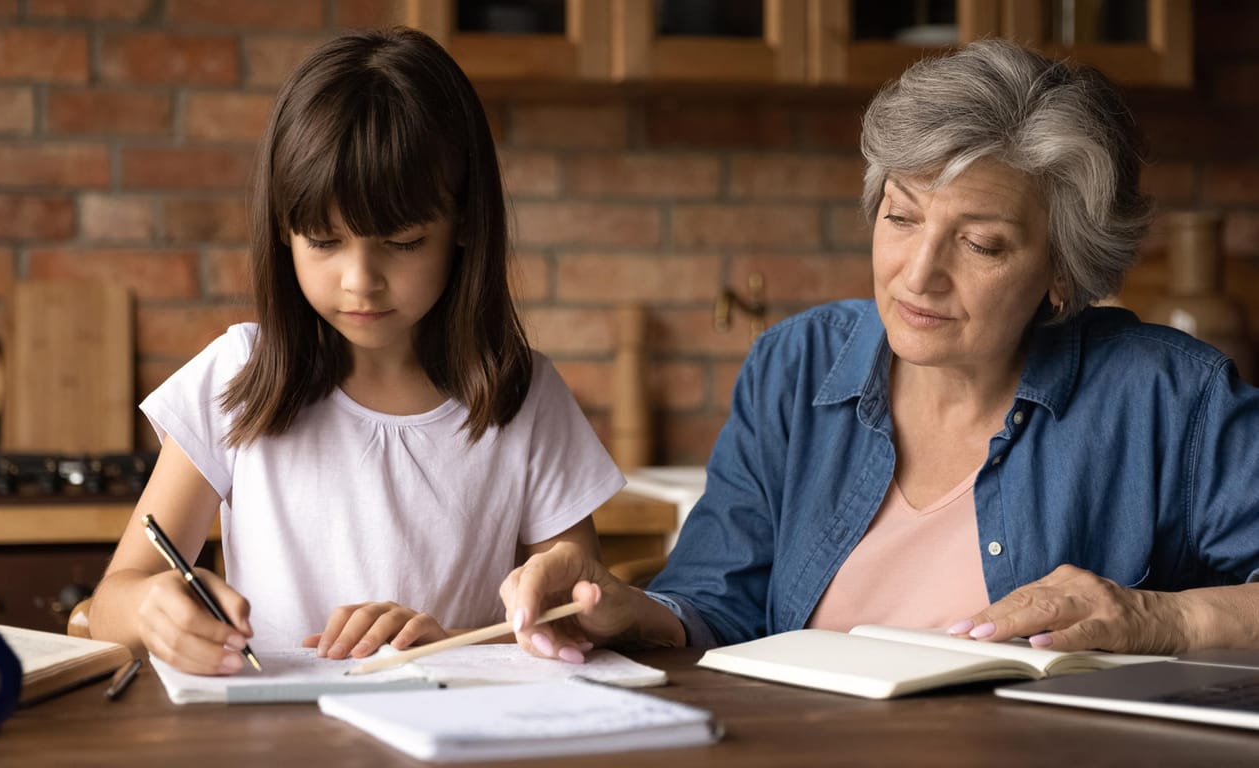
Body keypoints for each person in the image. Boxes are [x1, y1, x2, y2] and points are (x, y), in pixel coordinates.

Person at [503, 39, 1259, 662]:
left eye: (981, 243)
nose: (919, 274)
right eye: (901, 218)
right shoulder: (794, 366)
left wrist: (1161, 619)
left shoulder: (1168, 396)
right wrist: (624, 608)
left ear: (1062, 270)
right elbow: (714, 604)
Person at [88, 28, 623, 675]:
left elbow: (574, 622)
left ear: (464, 227)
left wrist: (451, 642)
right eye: (323, 240)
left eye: (401, 243)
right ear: (283, 234)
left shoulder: (524, 394)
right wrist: (151, 606)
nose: (359, 280)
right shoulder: (239, 376)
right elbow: (109, 605)